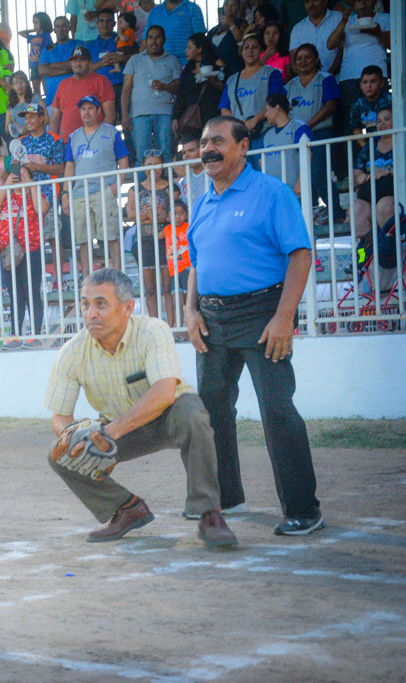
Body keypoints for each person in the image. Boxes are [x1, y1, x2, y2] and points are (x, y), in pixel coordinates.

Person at [185, 115, 322, 536]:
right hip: (211, 319)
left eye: (218, 141)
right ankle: (226, 497)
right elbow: (196, 264)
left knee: (277, 410)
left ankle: (304, 509)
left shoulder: (271, 192)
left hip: (262, 314)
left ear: (243, 146)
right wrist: (190, 311)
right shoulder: (201, 202)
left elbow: (300, 254)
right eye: (204, 142)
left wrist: (284, 317)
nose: (208, 149)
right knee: (211, 411)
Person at [44, 268, 238, 546]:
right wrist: (74, 436)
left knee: (193, 415)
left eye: (101, 304)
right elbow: (60, 417)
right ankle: (127, 508)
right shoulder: (71, 352)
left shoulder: (152, 330)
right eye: (85, 304)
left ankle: (209, 514)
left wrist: (110, 431)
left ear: (127, 308)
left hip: (169, 415)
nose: (90, 313)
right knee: (60, 454)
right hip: (118, 428)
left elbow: (164, 393)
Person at [62, 95, 130, 279]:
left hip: (104, 190)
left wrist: (116, 186)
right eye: (83, 109)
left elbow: (123, 160)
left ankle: (118, 276)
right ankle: (87, 279)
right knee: (83, 239)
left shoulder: (111, 132)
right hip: (79, 193)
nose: (86, 112)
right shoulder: (74, 136)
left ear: (99, 110)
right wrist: (66, 193)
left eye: (90, 108)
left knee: (111, 235)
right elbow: (70, 166)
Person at [0, 166, 49, 350]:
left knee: (32, 293)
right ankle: (15, 335)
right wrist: (6, 186)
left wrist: (31, 185)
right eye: (17, 175)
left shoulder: (34, 195)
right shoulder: (6, 196)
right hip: (8, 254)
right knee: (15, 295)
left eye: (24, 175)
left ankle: (36, 335)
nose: (19, 178)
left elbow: (42, 209)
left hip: (31, 250)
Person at [126, 152, 181, 323]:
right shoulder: (135, 189)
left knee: (168, 287)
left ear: (162, 166)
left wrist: (146, 215)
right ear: (144, 167)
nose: (153, 169)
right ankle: (155, 328)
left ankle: (172, 327)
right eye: (149, 165)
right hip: (144, 240)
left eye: (156, 164)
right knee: (150, 289)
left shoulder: (172, 187)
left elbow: (171, 214)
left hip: (166, 239)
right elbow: (131, 215)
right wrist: (156, 215)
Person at [325, 0, 391, 134]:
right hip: (350, 77)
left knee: (381, 117)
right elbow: (330, 44)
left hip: (377, 75)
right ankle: (358, 148)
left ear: (374, 2)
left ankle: (380, 146)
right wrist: (344, 21)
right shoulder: (349, 20)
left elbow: (392, 44)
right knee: (352, 122)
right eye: (359, 0)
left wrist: (377, 33)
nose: (363, 3)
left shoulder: (385, 18)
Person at [122, 25, 182, 161]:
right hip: (139, 114)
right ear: (145, 41)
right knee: (142, 156)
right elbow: (126, 90)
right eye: (150, 38)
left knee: (166, 154)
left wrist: (164, 86)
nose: (153, 41)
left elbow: (179, 88)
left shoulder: (172, 60)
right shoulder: (135, 60)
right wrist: (125, 116)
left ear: (164, 40)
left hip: (165, 113)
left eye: (157, 37)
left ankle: (167, 177)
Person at [218, 34, 285, 156]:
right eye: (246, 47)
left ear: (261, 51)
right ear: (241, 51)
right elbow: (224, 108)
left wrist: (256, 119)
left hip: (265, 132)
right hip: (240, 137)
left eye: (254, 47)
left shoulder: (272, 74)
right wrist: (239, 126)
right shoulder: (232, 80)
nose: (250, 51)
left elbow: (274, 101)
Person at [50, 46, 115, 139]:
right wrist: (53, 141)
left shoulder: (101, 80)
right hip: (68, 142)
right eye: (74, 60)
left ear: (90, 63)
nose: (78, 63)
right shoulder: (63, 84)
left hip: (93, 140)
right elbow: (55, 118)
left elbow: (110, 115)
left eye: (82, 60)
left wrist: (101, 138)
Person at [172, 34, 225, 143]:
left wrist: (212, 80)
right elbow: (182, 94)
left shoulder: (216, 63)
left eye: (189, 47)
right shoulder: (188, 69)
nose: (186, 51)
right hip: (192, 119)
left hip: (212, 115)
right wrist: (176, 117)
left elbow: (225, 89)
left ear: (199, 49)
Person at [351, 107, 394, 237]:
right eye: (379, 121)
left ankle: (387, 247)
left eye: (387, 119)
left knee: (383, 205)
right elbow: (355, 176)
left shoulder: (402, 142)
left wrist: (388, 171)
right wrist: (360, 177)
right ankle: (364, 248)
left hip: (395, 196)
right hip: (371, 196)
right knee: (356, 207)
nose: (382, 124)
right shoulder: (368, 148)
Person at [260, 93, 312, 195]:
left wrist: (300, 182)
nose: (265, 115)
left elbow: (307, 155)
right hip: (274, 194)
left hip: (294, 192)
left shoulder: (298, 127)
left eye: (267, 110)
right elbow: (261, 161)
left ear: (276, 108)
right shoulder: (267, 135)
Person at [17, 103, 66, 206]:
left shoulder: (54, 140)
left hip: (49, 195)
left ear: (41, 118)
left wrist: (38, 167)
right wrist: (15, 166)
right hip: (25, 197)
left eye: (31, 117)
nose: (28, 121)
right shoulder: (20, 141)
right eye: (26, 118)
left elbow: (61, 169)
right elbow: (12, 169)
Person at [142, 0, 207, 65]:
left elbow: (200, 41)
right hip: (158, 65)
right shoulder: (154, 12)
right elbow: (145, 42)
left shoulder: (193, 8)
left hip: (186, 64)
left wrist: (198, 66)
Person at [289, 0, 342, 74]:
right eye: (307, 2)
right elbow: (294, 60)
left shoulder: (339, 18)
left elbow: (343, 51)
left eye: (315, 0)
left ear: (325, 1)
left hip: (337, 77)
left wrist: (328, 76)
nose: (311, 4)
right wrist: (308, 78)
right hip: (309, 80)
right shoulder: (298, 28)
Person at [87, 9, 129, 104]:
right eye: (101, 21)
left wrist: (121, 58)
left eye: (108, 21)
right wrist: (102, 62)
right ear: (97, 24)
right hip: (96, 88)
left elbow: (138, 57)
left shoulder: (124, 39)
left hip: (121, 86)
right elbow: (85, 70)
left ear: (114, 24)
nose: (105, 24)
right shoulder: (89, 45)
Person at [348, 66, 391, 146]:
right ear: (360, 85)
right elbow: (356, 128)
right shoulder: (357, 104)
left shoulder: (390, 100)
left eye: (373, 81)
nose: (368, 86)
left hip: (391, 142)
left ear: (381, 83)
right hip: (370, 145)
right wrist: (365, 147)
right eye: (365, 82)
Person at [38, 31, 82, 109]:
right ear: (54, 30)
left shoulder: (77, 44)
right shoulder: (47, 49)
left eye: (63, 26)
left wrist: (51, 65)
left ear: (68, 27)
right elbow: (42, 70)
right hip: (52, 100)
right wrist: (70, 70)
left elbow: (78, 64)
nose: (61, 29)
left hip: (74, 100)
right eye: (58, 26)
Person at [207, 0, 247, 76]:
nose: (229, 7)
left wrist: (231, 24)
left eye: (233, 4)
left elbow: (241, 40)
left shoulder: (241, 23)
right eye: (226, 4)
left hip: (235, 68)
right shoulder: (214, 29)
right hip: (217, 70)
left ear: (238, 8)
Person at [20, 12, 55, 98]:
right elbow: (20, 33)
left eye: (36, 22)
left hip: (42, 64)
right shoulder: (33, 37)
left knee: (46, 88)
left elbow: (50, 49)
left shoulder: (46, 36)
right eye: (33, 23)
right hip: (34, 66)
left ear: (42, 23)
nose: (34, 25)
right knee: (36, 91)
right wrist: (33, 30)